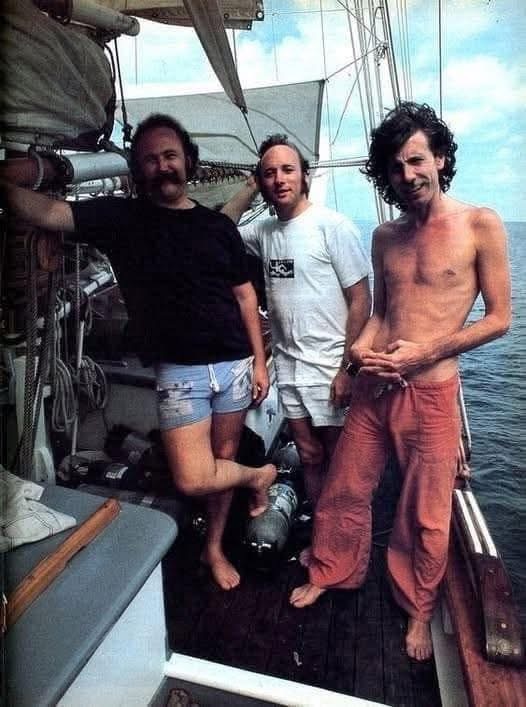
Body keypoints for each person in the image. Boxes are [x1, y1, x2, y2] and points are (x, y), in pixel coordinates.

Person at [1, 114, 278, 591]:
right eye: (150, 159)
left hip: (233, 364)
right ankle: (258, 477)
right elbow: (48, 214)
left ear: (187, 160)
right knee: (194, 477)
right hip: (180, 374)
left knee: (224, 456)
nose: (162, 166)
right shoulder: (122, 219)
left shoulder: (217, 226)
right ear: (138, 169)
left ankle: (213, 548)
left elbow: (244, 296)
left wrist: (258, 361)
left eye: (170, 155)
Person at [289, 102, 511, 661]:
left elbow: (499, 319)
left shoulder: (480, 224)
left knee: (426, 513)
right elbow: (382, 314)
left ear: (440, 159)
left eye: (416, 160)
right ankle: (331, 569)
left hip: (431, 394)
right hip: (375, 387)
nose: (407, 175)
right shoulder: (385, 235)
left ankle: (418, 608)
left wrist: (425, 354)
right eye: (395, 166)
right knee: (344, 487)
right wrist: (356, 355)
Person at [222, 134, 371, 520]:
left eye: (288, 170)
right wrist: (249, 187)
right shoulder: (265, 232)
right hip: (289, 367)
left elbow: (361, 300)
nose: (279, 179)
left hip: (330, 366)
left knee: (341, 461)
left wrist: (348, 369)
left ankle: (342, 542)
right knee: (308, 455)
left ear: (305, 176)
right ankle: (322, 535)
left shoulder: (332, 227)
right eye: (269, 173)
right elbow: (221, 228)